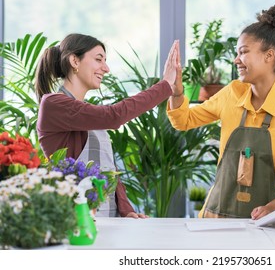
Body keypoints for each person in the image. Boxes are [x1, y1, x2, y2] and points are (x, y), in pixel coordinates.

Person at [167, 4, 275, 219]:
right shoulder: (232, 94)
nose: (236, 60)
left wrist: (272, 208)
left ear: (269, 55)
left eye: (243, 52)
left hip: (261, 222)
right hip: (212, 218)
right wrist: (176, 91)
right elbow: (183, 120)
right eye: (236, 53)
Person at [35, 33, 180, 218]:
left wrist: (126, 210)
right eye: (98, 59)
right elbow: (115, 116)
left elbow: (108, 169)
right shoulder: (54, 104)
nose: (106, 68)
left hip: (107, 218)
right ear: (74, 61)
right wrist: (165, 84)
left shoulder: (88, 115)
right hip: (76, 220)